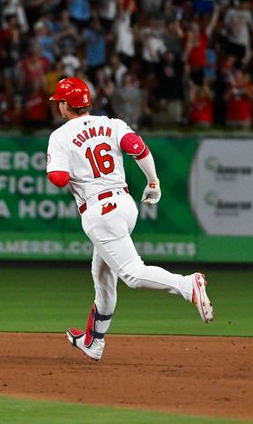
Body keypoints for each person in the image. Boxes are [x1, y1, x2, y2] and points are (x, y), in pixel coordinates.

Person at [45, 77, 213, 361]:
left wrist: (68, 168)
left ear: (65, 105)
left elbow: (59, 179)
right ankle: (93, 341)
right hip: (124, 204)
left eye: (58, 102)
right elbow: (139, 149)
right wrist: (153, 183)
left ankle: (187, 285)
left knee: (132, 274)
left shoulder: (60, 136)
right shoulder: (112, 124)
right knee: (102, 274)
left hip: (100, 213)